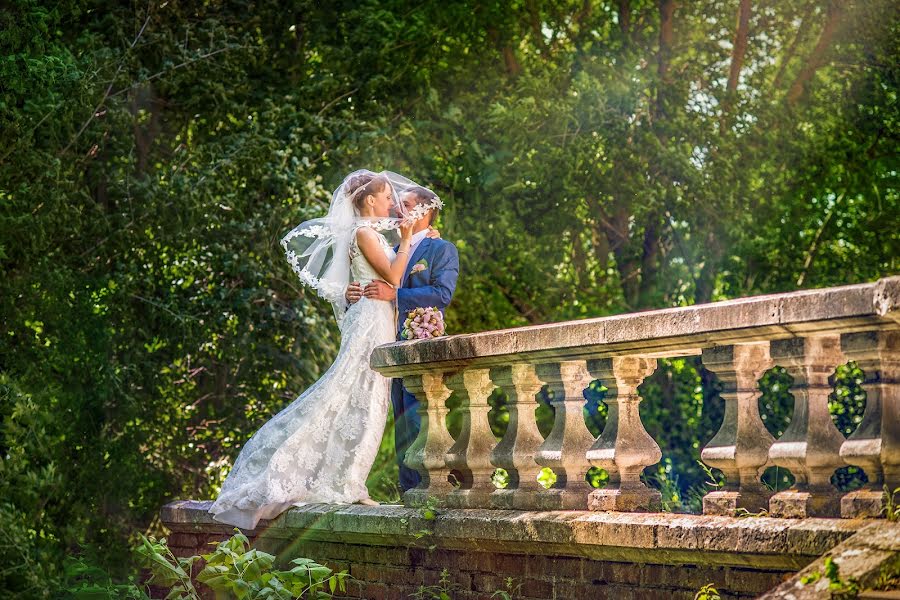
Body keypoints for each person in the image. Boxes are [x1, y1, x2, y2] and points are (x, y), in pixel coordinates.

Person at [208, 170, 442, 530]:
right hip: (372, 321)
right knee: (354, 393)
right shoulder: (365, 233)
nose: (390, 203)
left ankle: (349, 479)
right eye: (385, 197)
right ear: (368, 201)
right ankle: (343, 481)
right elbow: (394, 278)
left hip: (374, 316)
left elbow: (369, 277)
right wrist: (408, 240)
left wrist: (370, 274)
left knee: (363, 396)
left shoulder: (369, 234)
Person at [345, 185, 460, 493]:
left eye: (405, 204)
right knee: (400, 422)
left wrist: (397, 294)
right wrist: (350, 293)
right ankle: (409, 493)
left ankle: (432, 490)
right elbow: (367, 282)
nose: (397, 208)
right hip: (384, 342)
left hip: (419, 343)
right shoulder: (389, 249)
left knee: (422, 418)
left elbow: (442, 294)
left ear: (425, 211)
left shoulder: (440, 249)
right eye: (395, 203)